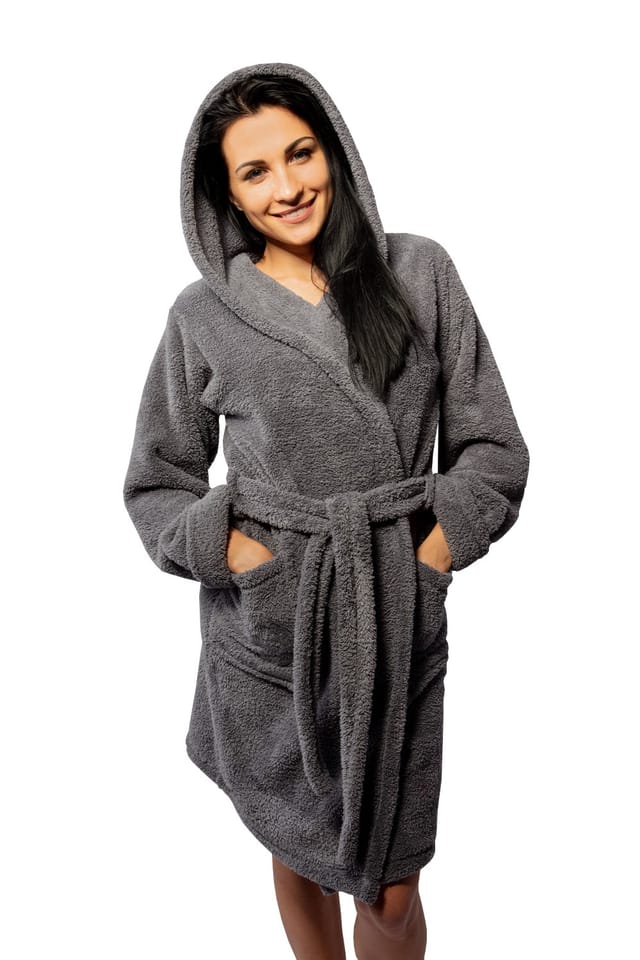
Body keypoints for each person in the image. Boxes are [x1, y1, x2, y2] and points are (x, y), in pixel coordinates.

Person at [123, 61, 530, 959]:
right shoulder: (204, 315)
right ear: (227, 195)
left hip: (393, 607)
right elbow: (157, 480)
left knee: (392, 886)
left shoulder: (418, 271)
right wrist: (237, 557)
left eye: (300, 154)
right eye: (255, 171)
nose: (287, 186)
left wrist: (432, 554)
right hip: (275, 624)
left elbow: (493, 448)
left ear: (334, 152)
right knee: (296, 844)